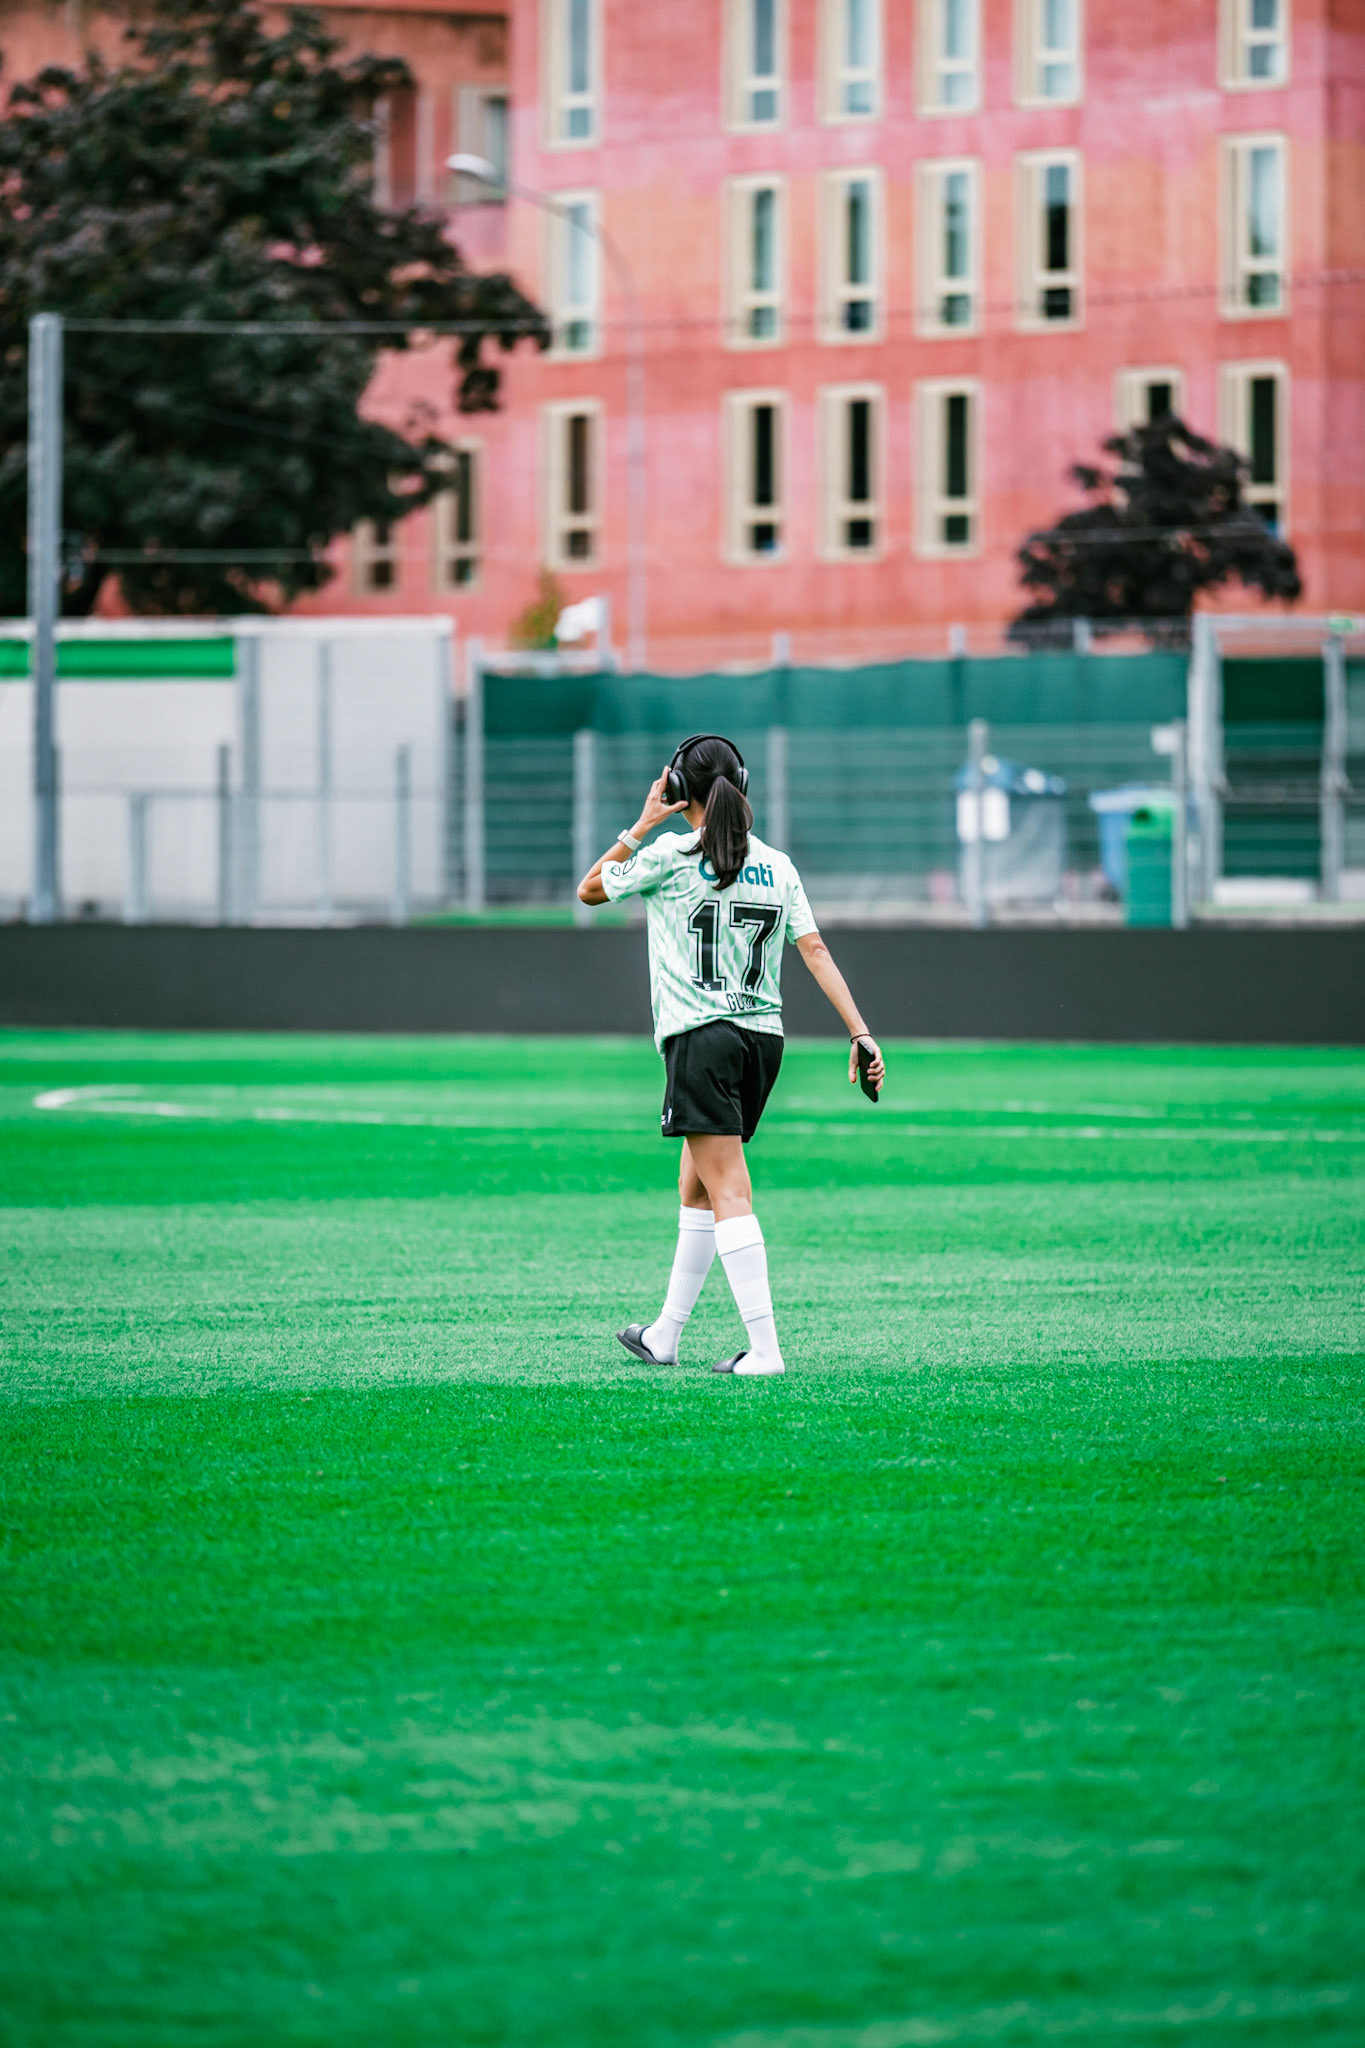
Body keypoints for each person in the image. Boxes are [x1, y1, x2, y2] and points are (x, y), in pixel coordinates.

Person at [577, 732, 885, 1378]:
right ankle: (664, 1334)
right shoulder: (777, 864)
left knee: (728, 1191)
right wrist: (859, 1031)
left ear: (679, 788)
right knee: (696, 1185)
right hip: (761, 1041)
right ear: (741, 783)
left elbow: (590, 890)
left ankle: (766, 1351)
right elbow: (815, 952)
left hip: (700, 1037)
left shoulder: (671, 854)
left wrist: (641, 822)